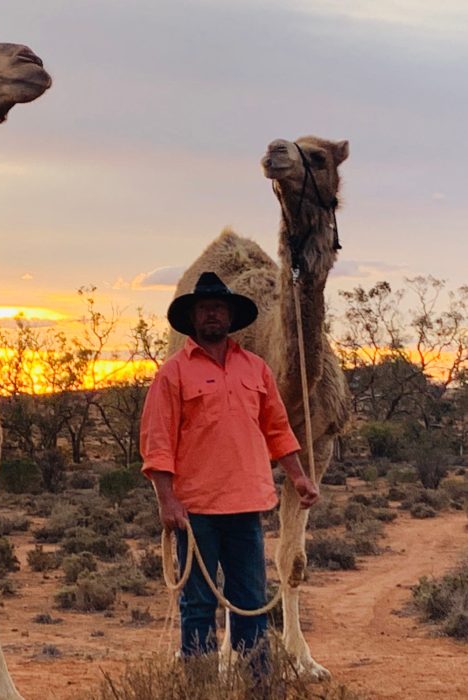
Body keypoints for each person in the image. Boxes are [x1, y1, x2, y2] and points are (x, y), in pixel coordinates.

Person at [140, 271, 318, 664]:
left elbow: (277, 428)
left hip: (247, 506)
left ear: (230, 316)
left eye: (218, 308)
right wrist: (166, 501)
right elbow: (158, 443)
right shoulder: (173, 373)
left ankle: (258, 686)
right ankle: (200, 687)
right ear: (193, 319)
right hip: (196, 511)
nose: (212, 315)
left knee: (251, 603)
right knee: (199, 605)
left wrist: (299, 477)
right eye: (204, 309)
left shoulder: (255, 368)